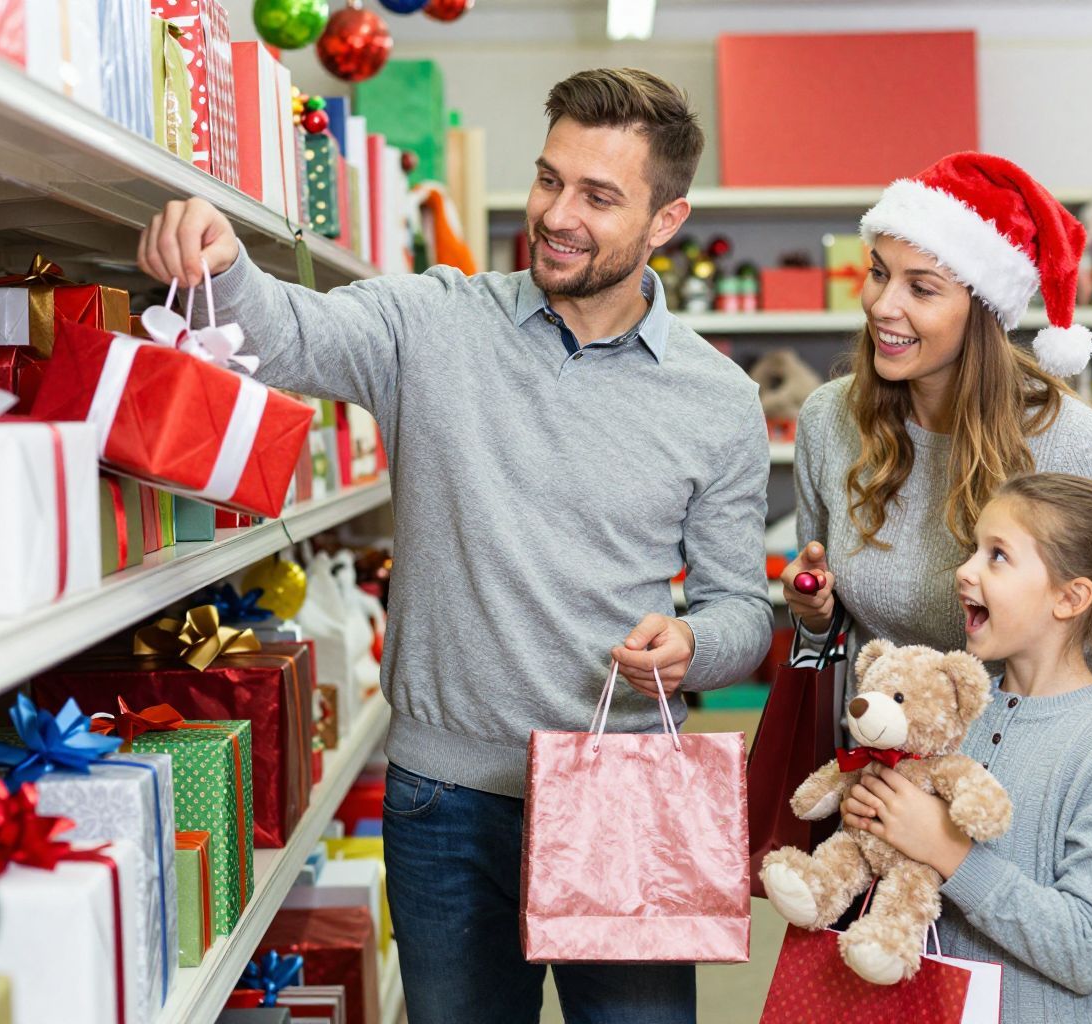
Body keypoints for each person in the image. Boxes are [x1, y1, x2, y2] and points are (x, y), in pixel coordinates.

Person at [136, 68, 773, 1024]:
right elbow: (284, 333)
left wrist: (695, 647)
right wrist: (220, 260)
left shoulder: (715, 399)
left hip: (622, 796)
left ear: (666, 219)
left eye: (600, 197)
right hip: (447, 803)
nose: (558, 214)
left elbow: (742, 612)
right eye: (550, 179)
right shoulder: (433, 321)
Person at [780, 151, 1092, 698]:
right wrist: (814, 612)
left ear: (983, 310)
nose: (882, 305)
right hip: (878, 753)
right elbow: (826, 630)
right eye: (879, 273)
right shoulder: (830, 420)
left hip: (1023, 760)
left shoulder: (1066, 439)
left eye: (921, 288)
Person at [843, 473, 1092, 1020]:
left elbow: (1089, 949)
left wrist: (948, 850)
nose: (965, 570)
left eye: (997, 556)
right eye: (973, 549)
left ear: (1070, 597)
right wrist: (878, 818)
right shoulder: (951, 713)